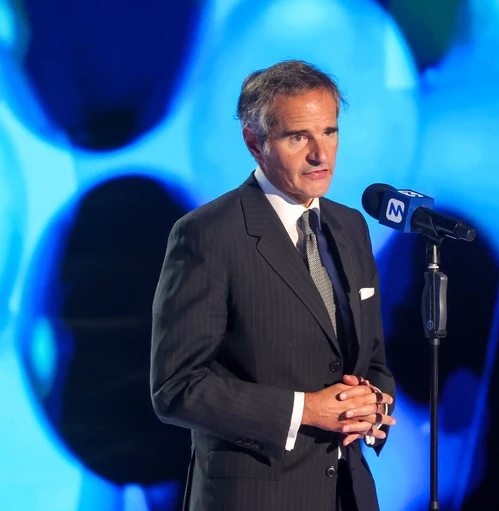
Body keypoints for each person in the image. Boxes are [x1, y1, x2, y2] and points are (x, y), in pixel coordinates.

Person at [150, 59, 396, 511]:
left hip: (348, 494)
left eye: (329, 132)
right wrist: (307, 409)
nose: (320, 154)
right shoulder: (208, 233)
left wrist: (375, 404)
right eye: (298, 137)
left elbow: (373, 359)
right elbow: (176, 388)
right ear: (254, 142)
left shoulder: (350, 226)